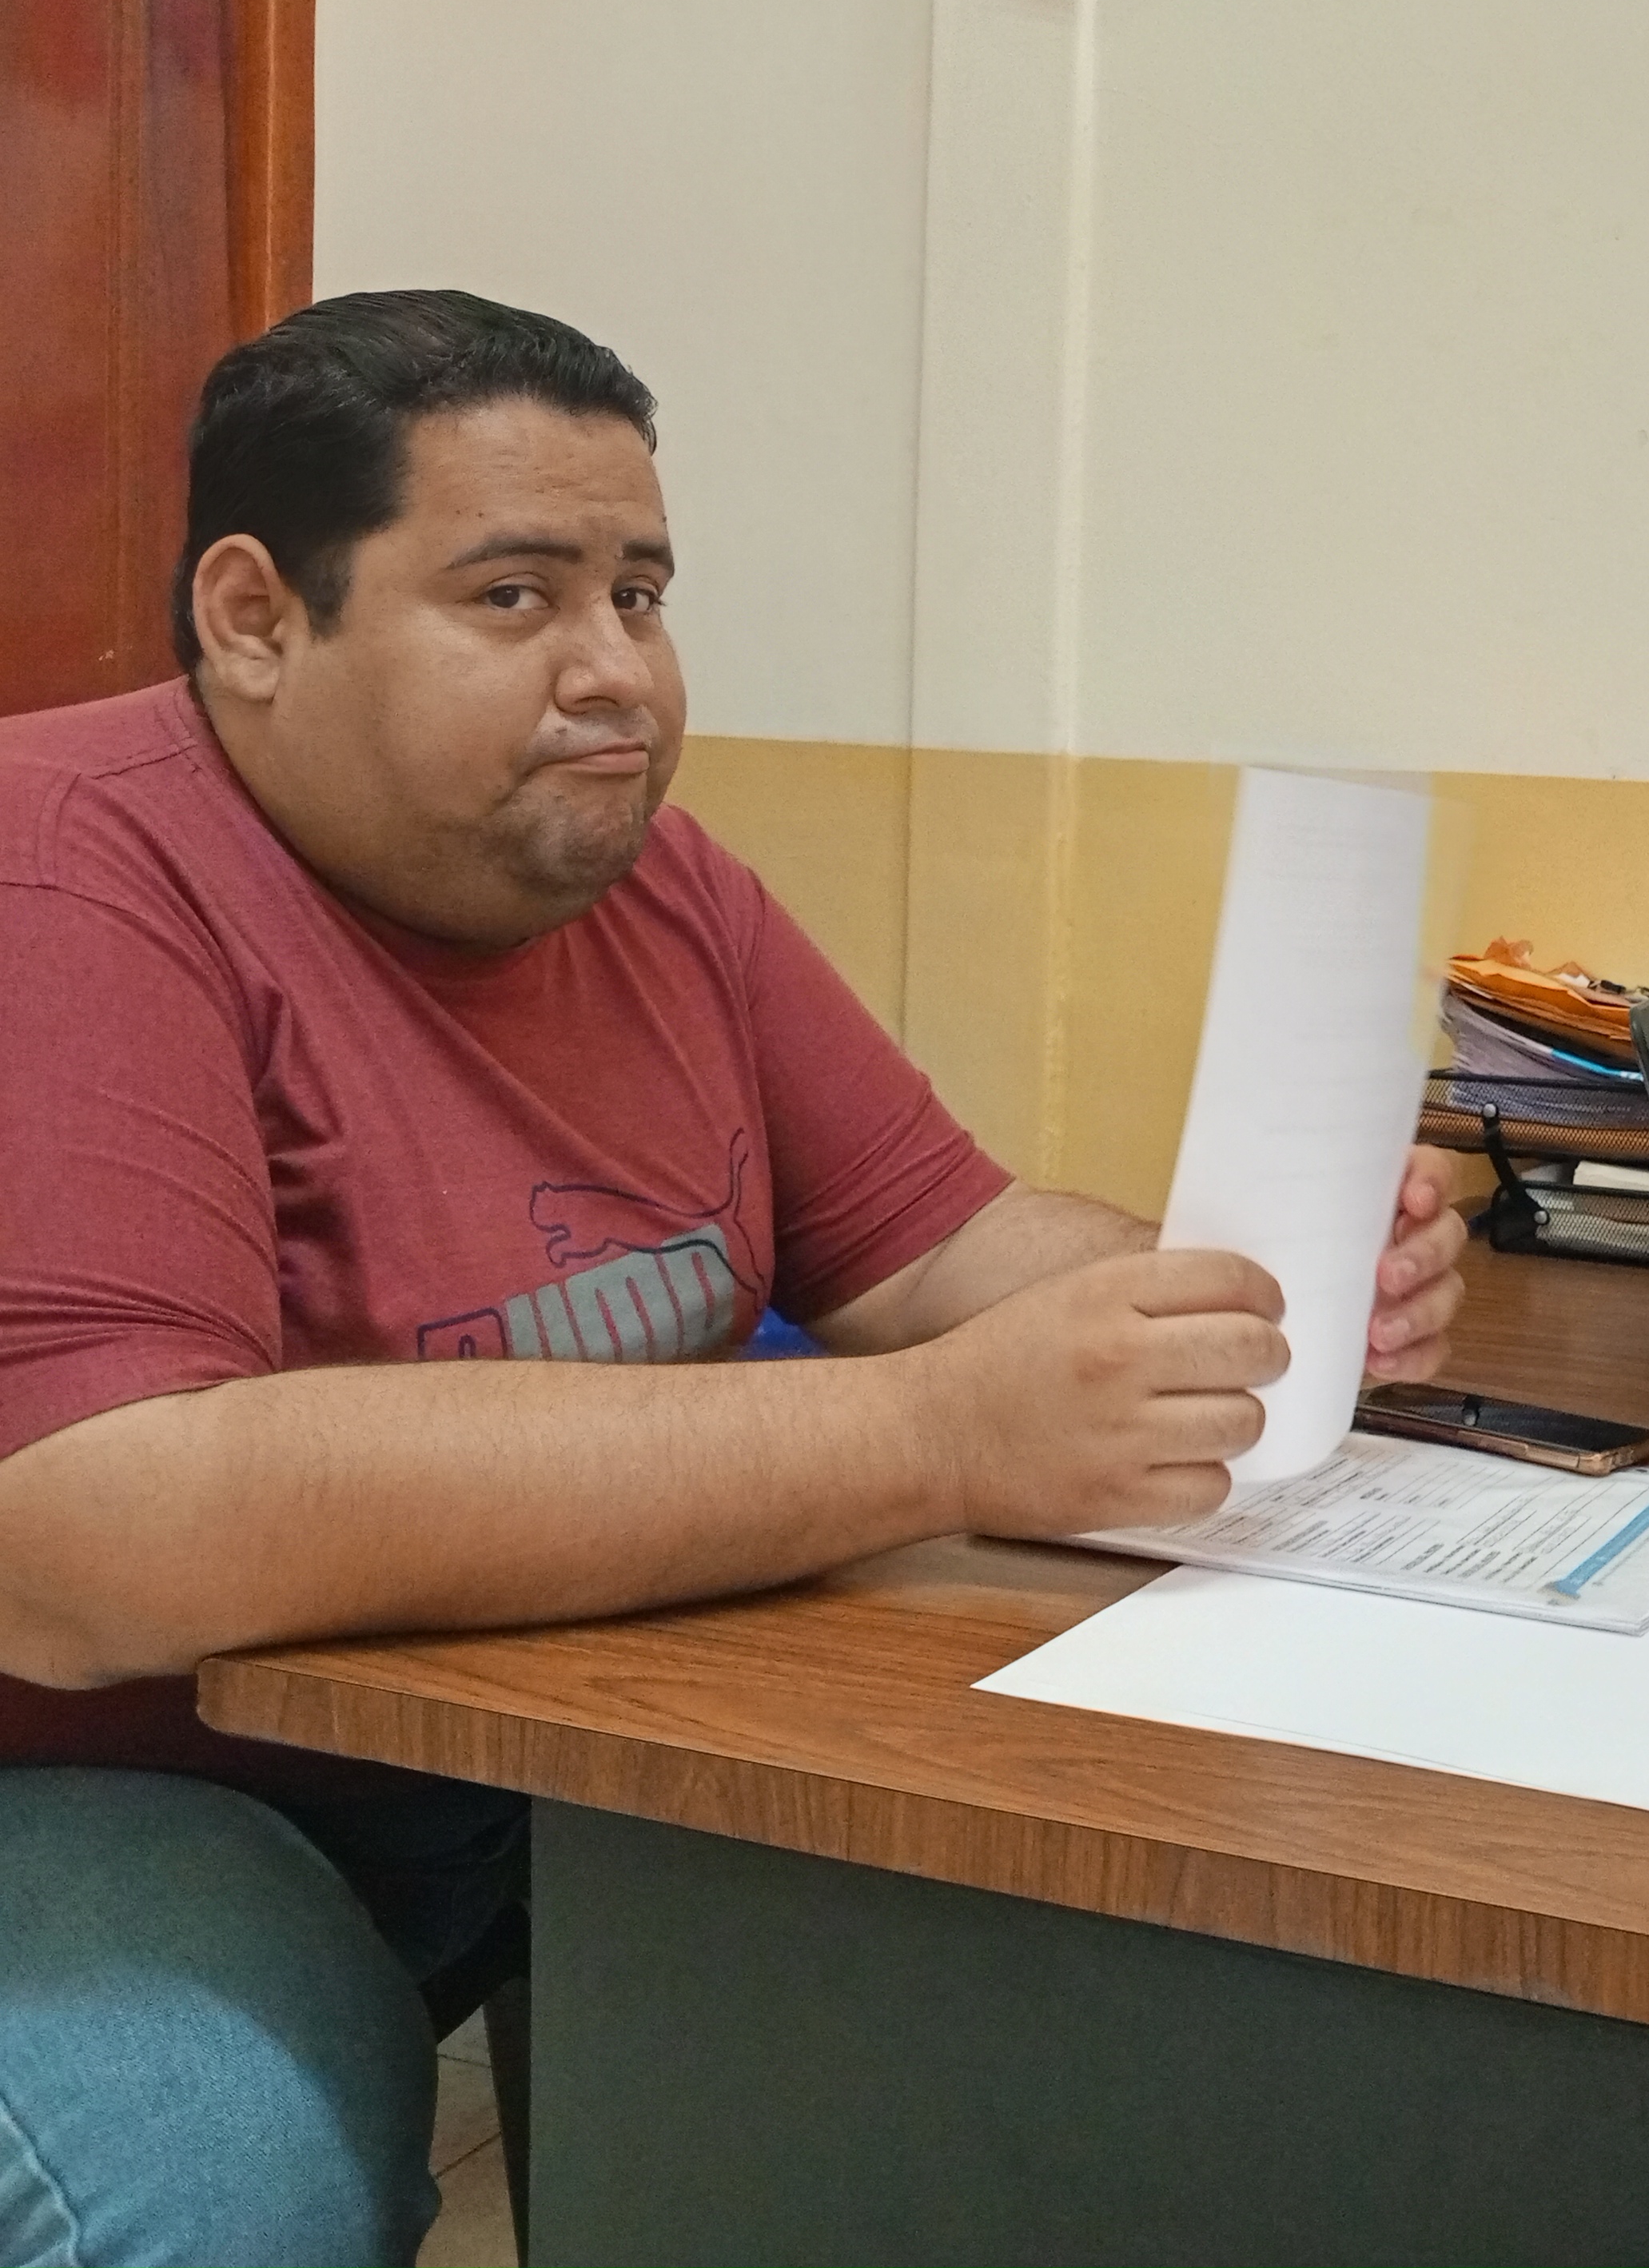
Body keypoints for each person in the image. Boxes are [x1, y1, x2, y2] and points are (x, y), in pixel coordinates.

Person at [0, 290, 1469, 2267]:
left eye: (641, 594)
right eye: (514, 597)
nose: (617, 672)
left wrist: (1233, 1302)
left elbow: (941, 1248)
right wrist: (936, 1434)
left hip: (545, 1732)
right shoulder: (67, 869)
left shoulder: (657, 884)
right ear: (258, 618)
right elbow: (91, 1539)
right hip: (109, 1783)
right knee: (212, 2174)